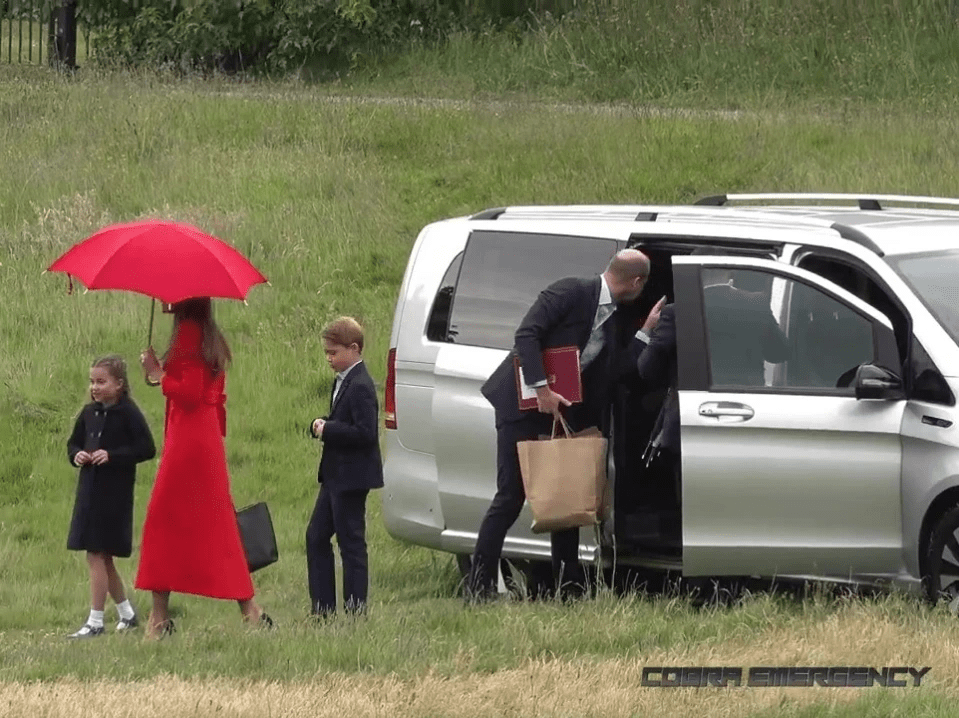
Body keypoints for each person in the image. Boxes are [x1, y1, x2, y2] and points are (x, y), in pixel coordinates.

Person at [466, 249, 661, 602]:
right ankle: (478, 588)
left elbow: (618, 372)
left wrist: (646, 332)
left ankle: (567, 590)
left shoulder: (615, 318)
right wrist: (541, 389)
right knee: (511, 496)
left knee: (566, 497)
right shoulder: (571, 291)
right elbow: (526, 335)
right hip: (523, 407)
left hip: (562, 414)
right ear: (636, 282)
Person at [136, 298, 271, 638]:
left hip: (188, 440)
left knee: (164, 520)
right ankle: (249, 609)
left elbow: (190, 392)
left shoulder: (188, 332)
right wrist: (160, 374)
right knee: (216, 521)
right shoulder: (208, 334)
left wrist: (158, 374)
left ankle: (158, 618)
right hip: (204, 438)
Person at [66, 355, 156, 638]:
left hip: (113, 495)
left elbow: (146, 448)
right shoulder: (88, 413)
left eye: (101, 382)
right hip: (89, 491)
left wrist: (113, 456)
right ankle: (127, 615)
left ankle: (95, 622)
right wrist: (76, 455)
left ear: (119, 384)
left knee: (96, 553)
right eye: (92, 382)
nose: (95, 387)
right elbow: (74, 442)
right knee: (101, 557)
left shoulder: (128, 413)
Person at [306, 317, 383, 618]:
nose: (329, 358)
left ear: (354, 349)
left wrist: (328, 430)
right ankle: (323, 610)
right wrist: (322, 423)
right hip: (335, 476)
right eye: (326, 352)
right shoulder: (342, 380)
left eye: (333, 353)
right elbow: (343, 420)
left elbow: (366, 433)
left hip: (352, 478)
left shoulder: (362, 385)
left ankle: (355, 612)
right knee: (315, 536)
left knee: (351, 544)